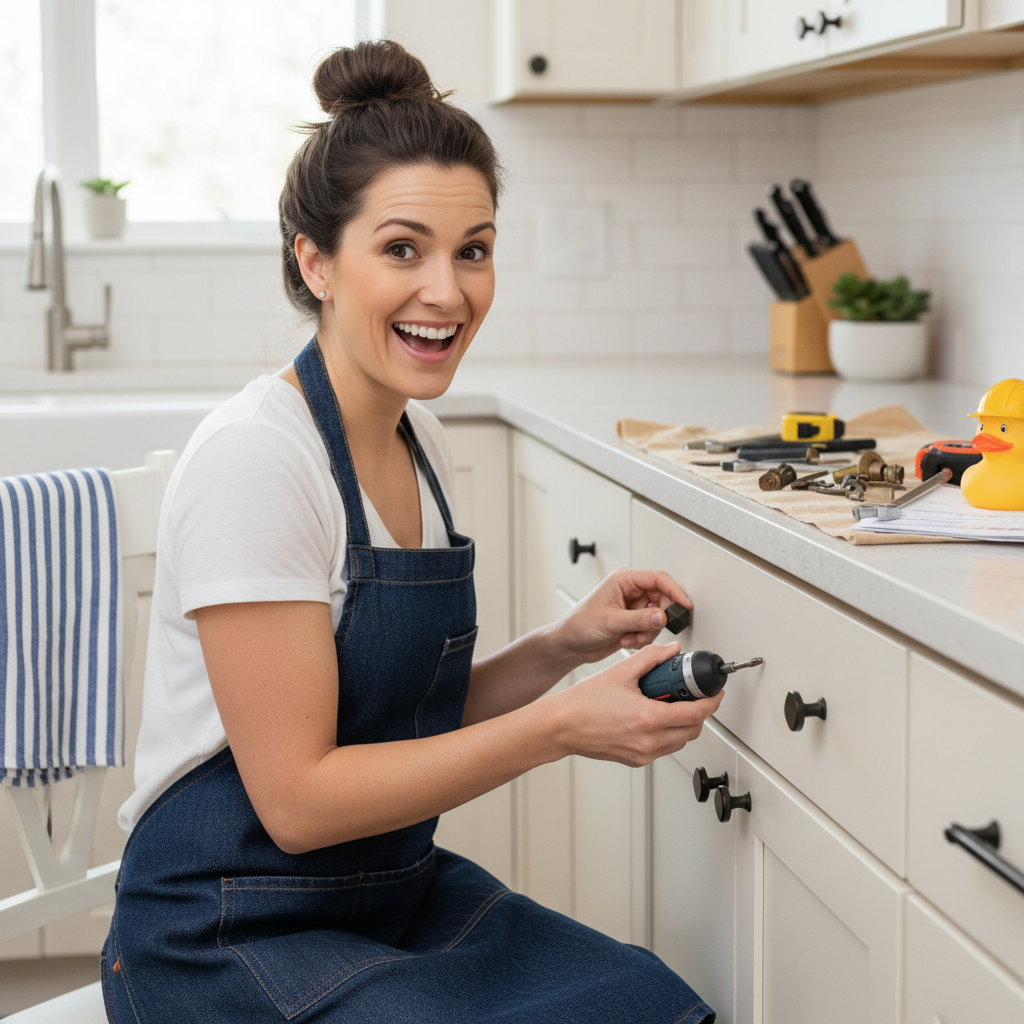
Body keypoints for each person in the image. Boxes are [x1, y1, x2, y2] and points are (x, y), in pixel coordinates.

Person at [104, 40, 722, 1024]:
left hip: (384, 897)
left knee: (647, 1002)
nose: (449, 290)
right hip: (222, 933)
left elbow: (394, 719)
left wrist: (561, 650)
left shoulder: (415, 437)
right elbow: (300, 800)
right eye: (403, 249)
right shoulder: (259, 463)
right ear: (316, 261)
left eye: (472, 249)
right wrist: (559, 727)